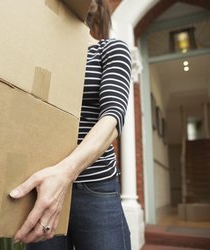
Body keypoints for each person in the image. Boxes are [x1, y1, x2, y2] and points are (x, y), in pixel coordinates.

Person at [9, 0, 132, 249]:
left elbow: (112, 119)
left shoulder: (110, 50)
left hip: (95, 188)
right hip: (42, 187)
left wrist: (64, 174)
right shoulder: (39, 56)